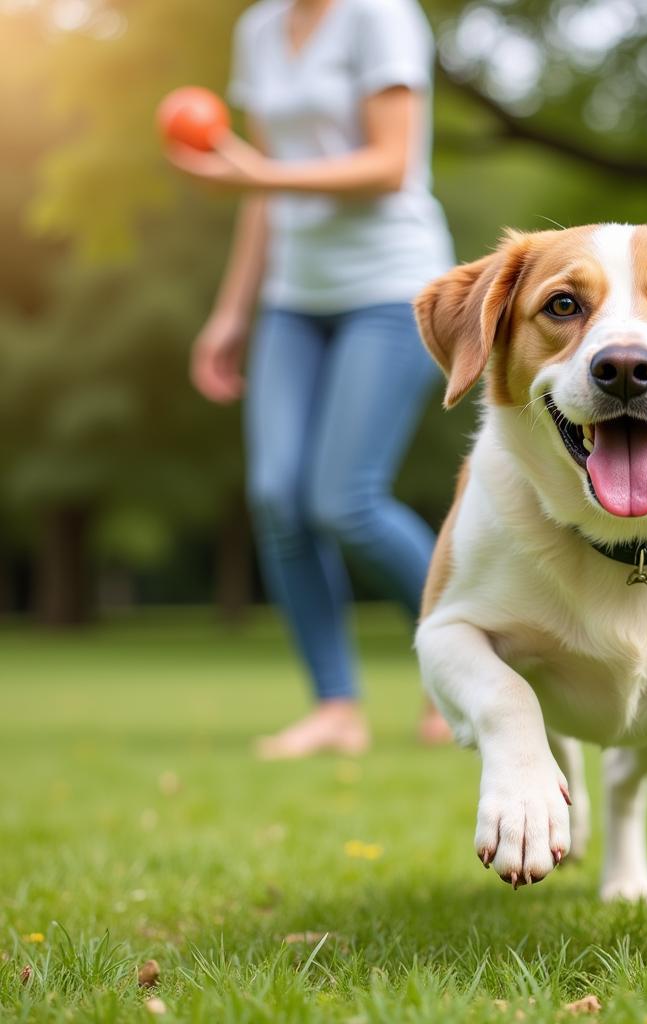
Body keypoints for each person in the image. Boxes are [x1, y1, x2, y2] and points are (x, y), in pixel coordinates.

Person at [166, 0, 454, 757]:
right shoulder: (259, 30)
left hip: (392, 286)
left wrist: (262, 172)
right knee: (277, 498)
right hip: (295, 297)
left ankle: (459, 667)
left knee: (346, 499)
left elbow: (391, 165)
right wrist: (232, 312)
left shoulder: (380, 17)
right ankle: (336, 707)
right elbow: (264, 197)